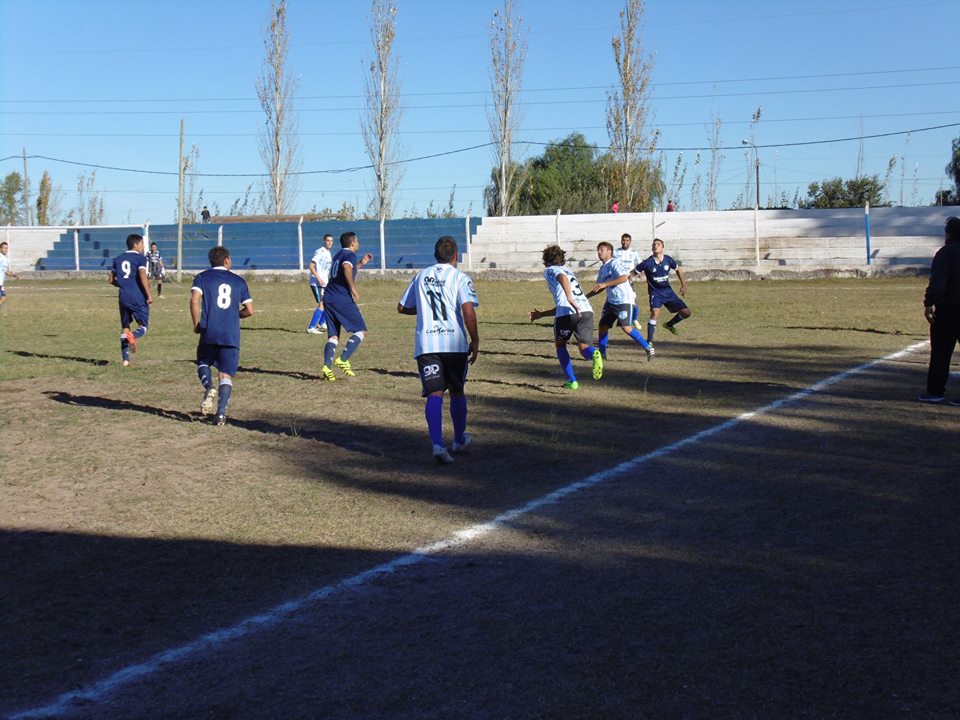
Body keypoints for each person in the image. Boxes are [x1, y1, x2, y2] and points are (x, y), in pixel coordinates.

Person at [397, 236, 480, 463]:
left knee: (434, 394)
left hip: (427, 344)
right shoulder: (460, 277)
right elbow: (468, 311)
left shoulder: (421, 276)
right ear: (456, 256)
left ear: (435, 255)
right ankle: (459, 439)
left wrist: (424, 310)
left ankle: (437, 444)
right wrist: (475, 340)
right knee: (457, 391)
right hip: (454, 344)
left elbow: (402, 307)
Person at [190, 246, 254, 426]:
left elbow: (194, 299)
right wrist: (236, 315)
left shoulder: (202, 277)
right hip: (231, 333)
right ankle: (221, 414)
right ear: (226, 261)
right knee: (225, 374)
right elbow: (250, 310)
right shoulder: (239, 281)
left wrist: (196, 324)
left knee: (203, 361)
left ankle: (209, 387)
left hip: (210, 330)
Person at [528, 244, 603, 390]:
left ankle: (572, 381)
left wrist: (569, 298)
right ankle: (594, 353)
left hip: (568, 314)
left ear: (546, 261)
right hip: (586, 311)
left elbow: (561, 279)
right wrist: (542, 314)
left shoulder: (550, 270)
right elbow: (562, 301)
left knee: (560, 345)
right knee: (584, 348)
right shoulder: (569, 271)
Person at [587, 241, 654, 362]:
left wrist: (605, 284)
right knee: (603, 326)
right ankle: (602, 355)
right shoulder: (603, 268)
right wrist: (585, 297)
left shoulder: (615, 263)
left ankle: (648, 347)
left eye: (602, 249)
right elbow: (600, 287)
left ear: (609, 252)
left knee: (626, 327)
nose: (599, 252)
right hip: (611, 301)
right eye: (598, 250)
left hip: (623, 300)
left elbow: (624, 277)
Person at [321, 231, 374, 381]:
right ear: (352, 243)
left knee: (333, 336)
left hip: (329, 297)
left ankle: (326, 366)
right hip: (340, 298)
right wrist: (353, 288)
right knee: (361, 330)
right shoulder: (349, 255)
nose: (358, 244)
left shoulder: (338, 255)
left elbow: (347, 269)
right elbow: (346, 268)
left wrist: (362, 263)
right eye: (357, 241)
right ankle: (343, 359)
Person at [919, 216, 960, 404]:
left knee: (941, 353)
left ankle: (935, 391)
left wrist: (929, 302)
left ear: (949, 233)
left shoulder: (946, 253)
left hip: (950, 308)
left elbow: (938, 282)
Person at [632, 238, 691, 344]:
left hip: (668, 292)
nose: (655, 246)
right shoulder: (647, 263)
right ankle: (649, 342)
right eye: (653, 244)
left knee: (686, 313)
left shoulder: (668, 260)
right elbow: (631, 274)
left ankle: (669, 325)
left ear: (663, 248)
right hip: (656, 293)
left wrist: (683, 285)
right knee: (655, 312)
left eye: (658, 244)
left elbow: (678, 270)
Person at [108, 234, 153, 366]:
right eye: (142, 244)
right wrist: (149, 294)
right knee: (143, 327)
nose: (143, 247)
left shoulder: (118, 258)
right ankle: (132, 336)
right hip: (137, 296)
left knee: (125, 326)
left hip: (123, 296)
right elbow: (142, 275)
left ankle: (125, 360)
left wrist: (122, 285)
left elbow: (110, 280)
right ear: (135, 245)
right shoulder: (140, 259)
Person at [306, 233, 334, 334]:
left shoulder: (328, 253)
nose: (330, 243)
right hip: (317, 283)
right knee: (322, 304)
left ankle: (322, 323)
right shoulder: (320, 251)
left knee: (328, 302)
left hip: (325, 282)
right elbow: (311, 266)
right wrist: (319, 278)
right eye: (328, 241)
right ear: (324, 241)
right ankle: (311, 327)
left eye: (331, 241)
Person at [613, 233, 642, 326]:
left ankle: (635, 319)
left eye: (627, 240)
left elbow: (640, 264)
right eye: (623, 240)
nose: (625, 242)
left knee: (632, 301)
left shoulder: (634, 252)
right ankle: (616, 318)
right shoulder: (615, 252)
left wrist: (639, 273)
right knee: (614, 300)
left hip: (628, 282)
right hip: (617, 281)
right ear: (621, 241)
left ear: (630, 242)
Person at [0, 241, 21, 309]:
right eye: (4, 248)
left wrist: (13, 274)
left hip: (1, 283)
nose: (6, 250)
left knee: (3, 297)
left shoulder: (5, 259)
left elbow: (5, 271)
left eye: (7, 248)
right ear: (0, 248)